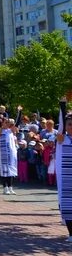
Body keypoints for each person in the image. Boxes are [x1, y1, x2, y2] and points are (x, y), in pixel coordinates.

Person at [55, 100, 72, 242]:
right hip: (66, 177)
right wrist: (63, 107)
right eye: (69, 124)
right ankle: (71, 233)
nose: (71, 127)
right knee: (67, 204)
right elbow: (60, 127)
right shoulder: (62, 138)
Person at [0, 107, 21, 195]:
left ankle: (10, 187)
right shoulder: (0, 131)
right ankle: (5, 187)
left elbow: (17, 122)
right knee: (4, 170)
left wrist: (20, 112)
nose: (7, 124)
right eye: (5, 122)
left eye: (8, 123)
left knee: (11, 170)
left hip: (11, 153)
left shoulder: (11, 130)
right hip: (3, 153)